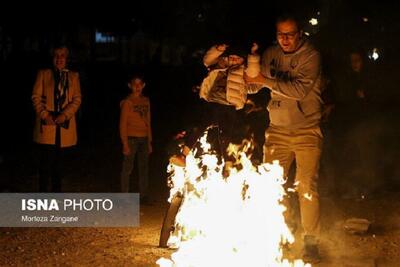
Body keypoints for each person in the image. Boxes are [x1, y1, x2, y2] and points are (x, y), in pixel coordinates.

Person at [245, 14, 323, 262]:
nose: (285, 39)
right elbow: (255, 85)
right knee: (271, 185)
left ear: (300, 33)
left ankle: (311, 241)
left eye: (290, 34)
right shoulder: (271, 54)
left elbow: (299, 90)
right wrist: (246, 69)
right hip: (277, 131)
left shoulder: (311, 56)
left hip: (307, 131)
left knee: (305, 187)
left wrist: (264, 80)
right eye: (281, 34)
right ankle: (274, 236)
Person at [32, 45, 82, 192]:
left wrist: (65, 115)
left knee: (58, 166)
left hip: (63, 125)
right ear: (52, 58)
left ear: (66, 58)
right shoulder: (43, 74)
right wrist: (44, 114)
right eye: (57, 55)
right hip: (47, 125)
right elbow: (36, 97)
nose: (59, 58)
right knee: (45, 164)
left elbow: (77, 99)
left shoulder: (73, 76)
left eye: (62, 56)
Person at [198, 42, 260, 156]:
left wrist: (253, 55)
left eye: (238, 59)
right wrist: (218, 49)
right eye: (232, 58)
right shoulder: (220, 64)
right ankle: (185, 153)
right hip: (212, 101)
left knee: (225, 133)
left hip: (229, 104)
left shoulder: (242, 71)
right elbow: (207, 60)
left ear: (243, 60)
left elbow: (253, 72)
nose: (234, 61)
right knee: (201, 125)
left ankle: (227, 160)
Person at [119, 74, 152, 203]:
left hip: (144, 139)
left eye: (140, 84)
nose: (137, 87)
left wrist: (149, 141)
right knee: (127, 168)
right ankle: (124, 197)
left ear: (143, 85)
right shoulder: (128, 102)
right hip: (131, 138)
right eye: (135, 84)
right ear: (130, 86)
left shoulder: (146, 101)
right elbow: (122, 123)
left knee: (144, 168)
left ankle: (144, 196)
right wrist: (124, 143)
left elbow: (148, 121)